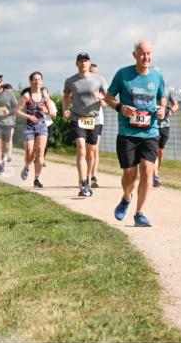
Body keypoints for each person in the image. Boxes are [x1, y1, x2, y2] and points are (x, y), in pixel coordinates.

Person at [103, 40, 167, 227]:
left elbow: (162, 98)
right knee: (130, 175)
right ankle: (126, 197)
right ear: (134, 55)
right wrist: (121, 107)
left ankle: (139, 213)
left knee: (147, 171)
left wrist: (163, 109)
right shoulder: (123, 74)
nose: (146, 57)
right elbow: (108, 97)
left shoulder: (157, 76)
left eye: (149, 53)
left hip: (150, 132)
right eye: (142, 54)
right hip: (127, 133)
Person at [62, 53, 105, 198]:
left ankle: (87, 177)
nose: (83, 63)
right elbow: (66, 96)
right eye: (80, 61)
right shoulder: (70, 81)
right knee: (81, 149)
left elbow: (107, 100)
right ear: (76, 64)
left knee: (91, 152)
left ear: (89, 63)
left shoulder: (99, 80)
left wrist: (101, 99)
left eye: (85, 61)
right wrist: (65, 110)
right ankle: (83, 182)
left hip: (94, 119)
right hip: (77, 118)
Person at [16, 71, 55, 188]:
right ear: (31, 81)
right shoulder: (26, 96)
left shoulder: (45, 96)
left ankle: (36, 179)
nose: (37, 82)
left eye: (39, 79)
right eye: (35, 79)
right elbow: (17, 112)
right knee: (29, 152)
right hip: (29, 127)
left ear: (42, 81)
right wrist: (29, 117)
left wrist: (46, 111)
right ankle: (27, 167)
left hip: (42, 126)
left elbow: (52, 114)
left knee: (40, 153)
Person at [152, 83, 179, 187]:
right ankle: (155, 176)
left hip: (164, 125)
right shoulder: (148, 88)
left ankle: (155, 172)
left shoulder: (168, 89)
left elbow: (176, 104)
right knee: (153, 150)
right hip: (152, 125)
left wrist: (171, 111)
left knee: (160, 151)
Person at [88, 61, 110, 189]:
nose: (95, 76)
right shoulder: (81, 84)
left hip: (97, 119)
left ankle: (93, 177)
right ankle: (85, 176)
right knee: (86, 150)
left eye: (96, 73)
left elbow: (106, 103)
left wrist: (100, 99)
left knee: (95, 149)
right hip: (84, 118)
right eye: (92, 73)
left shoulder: (101, 84)